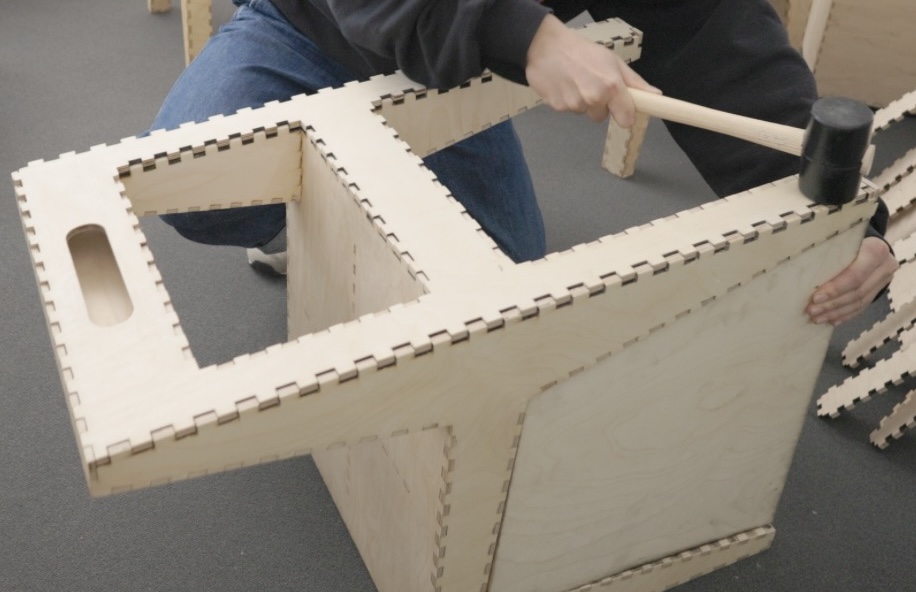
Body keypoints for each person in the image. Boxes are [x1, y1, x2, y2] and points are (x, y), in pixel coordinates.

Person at [150, 0, 897, 326]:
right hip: (306, 30)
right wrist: (530, 36)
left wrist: (845, 216)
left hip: (452, 73)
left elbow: (717, 33)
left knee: (494, 303)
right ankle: (296, 232)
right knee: (188, 184)